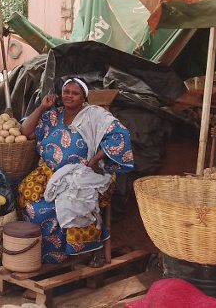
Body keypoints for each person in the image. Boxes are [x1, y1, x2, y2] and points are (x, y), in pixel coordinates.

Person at [18, 77, 134, 265]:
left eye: (75, 93)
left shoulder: (94, 115)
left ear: (84, 97)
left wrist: (95, 160)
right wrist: (42, 107)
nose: (69, 96)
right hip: (50, 173)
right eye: (66, 92)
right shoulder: (53, 115)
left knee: (71, 204)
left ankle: (86, 250)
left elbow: (120, 136)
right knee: (28, 196)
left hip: (82, 174)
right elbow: (25, 131)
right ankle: (50, 254)